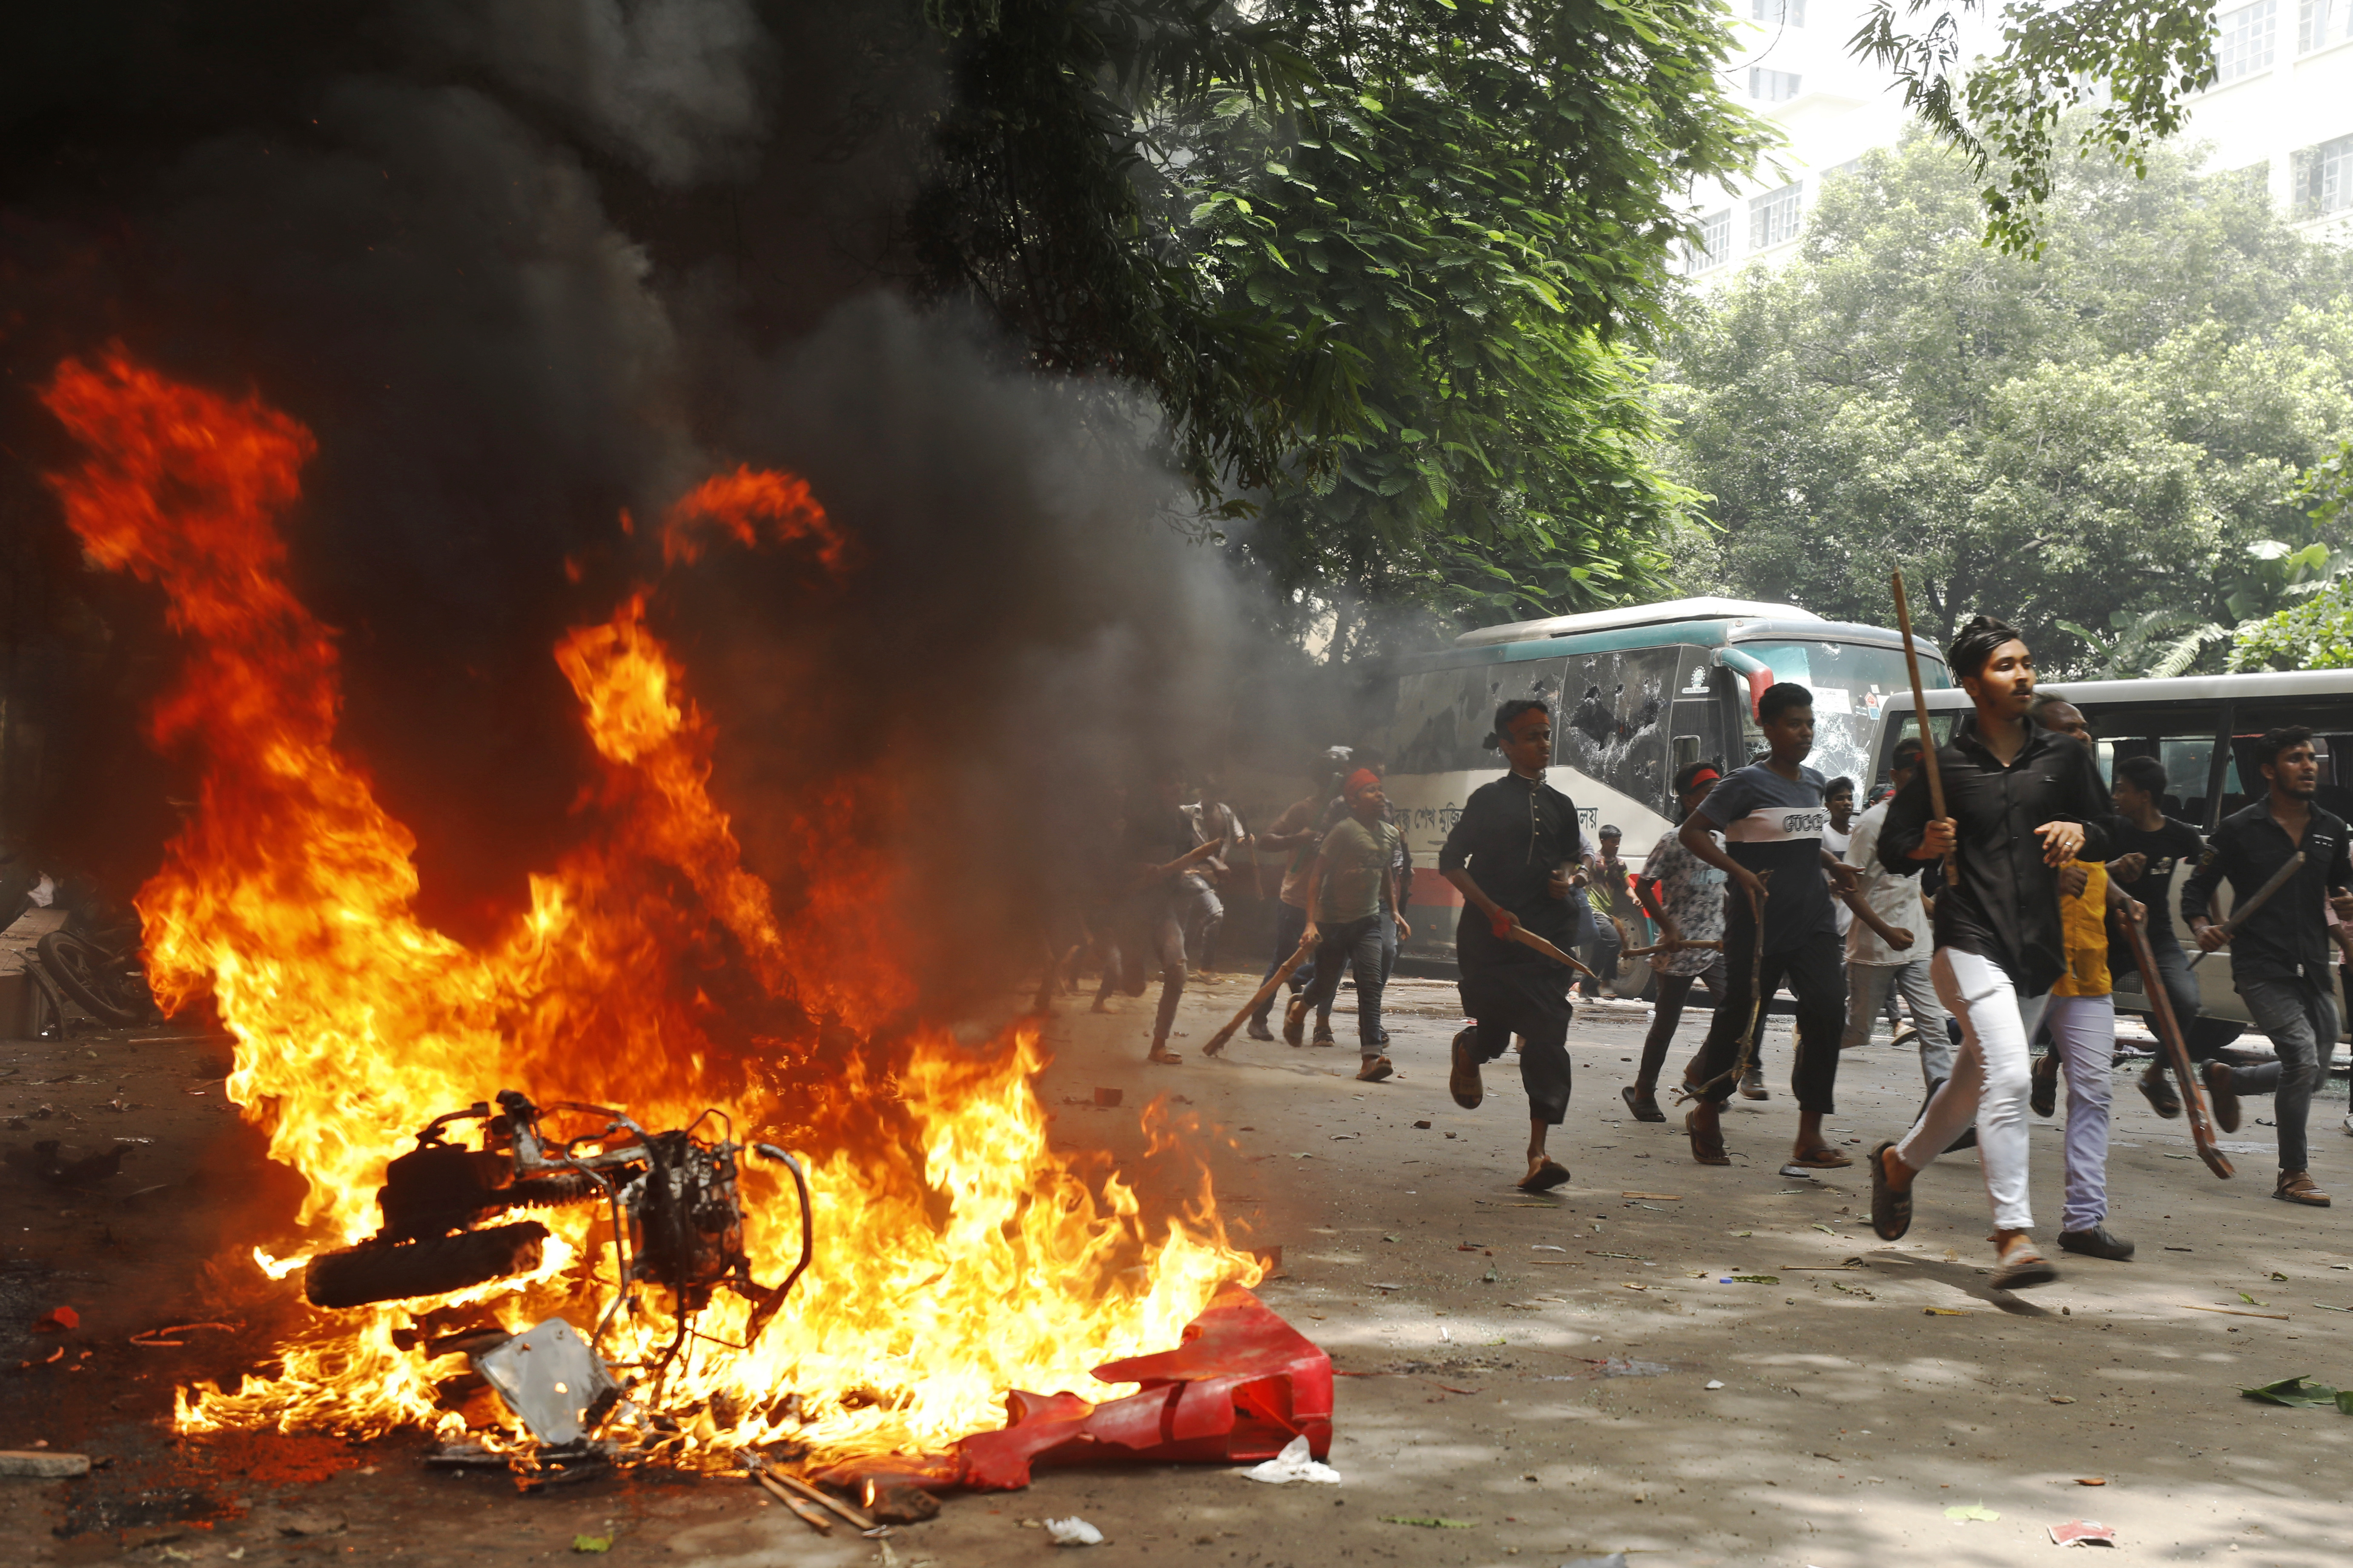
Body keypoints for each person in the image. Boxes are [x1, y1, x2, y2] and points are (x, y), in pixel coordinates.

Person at [1868, 615, 2110, 1290]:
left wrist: (2078, 828)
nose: (2023, 674)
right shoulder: (1940, 768)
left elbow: (2109, 828)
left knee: (1973, 1080)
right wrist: (1924, 847)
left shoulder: (2062, 758)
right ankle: (2011, 1235)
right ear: (1972, 685)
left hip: (2036, 946)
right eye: (2006, 666)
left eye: (2026, 662)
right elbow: (1891, 848)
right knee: (2007, 1076)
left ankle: (1897, 1165)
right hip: (1966, 941)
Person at [1676, 683, 1857, 1172]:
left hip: (1814, 919)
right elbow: (1691, 832)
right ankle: (1707, 1111)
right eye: (1795, 723)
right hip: (1757, 922)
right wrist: (1738, 873)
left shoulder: (1814, 782)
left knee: (1825, 1010)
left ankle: (1810, 1134)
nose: (1805, 732)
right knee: (1739, 1021)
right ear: (1768, 727)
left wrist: (1833, 866)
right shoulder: (1743, 784)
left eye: (1810, 723)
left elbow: (1799, 838)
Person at [2183, 726, 2353, 1207]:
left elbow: (2341, 887)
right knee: (2301, 1059)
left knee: (2315, 1072)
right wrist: (2202, 928)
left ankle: (2228, 1079)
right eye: (2295, 758)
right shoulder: (2237, 830)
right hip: (2260, 966)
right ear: (2268, 770)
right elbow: (2196, 891)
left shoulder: (2331, 829)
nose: (2308, 765)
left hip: (2312, 967)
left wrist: (2347, 908)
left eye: (2311, 757)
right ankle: (2292, 1173)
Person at [1439, 699, 1585, 1193]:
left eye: (1546, 735)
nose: (1543, 744)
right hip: (1492, 939)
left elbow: (1571, 858)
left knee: (1546, 1038)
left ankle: (1538, 1153)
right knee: (1497, 1038)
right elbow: (1450, 861)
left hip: (1546, 940)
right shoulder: (1487, 799)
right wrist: (1490, 909)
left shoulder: (1562, 805)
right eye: (1531, 737)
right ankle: (1471, 1047)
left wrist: (1566, 878)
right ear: (1506, 746)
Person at [2021, 695, 2135, 1261]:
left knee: (2093, 1090)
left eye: (2086, 729)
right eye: (2070, 730)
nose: (2083, 737)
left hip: (2087, 968)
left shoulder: (2090, 802)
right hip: (2025, 965)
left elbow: (2089, 868)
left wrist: (2119, 896)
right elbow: (1976, 871)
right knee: (1987, 1087)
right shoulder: (2015, 793)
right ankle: (1906, 1160)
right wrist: (2044, 881)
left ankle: (2082, 1222)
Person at [2099, 753, 2210, 1114]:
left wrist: (2209, 923)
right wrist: (2112, 868)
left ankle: (2155, 1075)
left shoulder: (2180, 835)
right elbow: (2080, 873)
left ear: (2144, 796)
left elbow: (2209, 870)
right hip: (2107, 938)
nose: (2115, 797)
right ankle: (2048, 1065)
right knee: (2079, 1006)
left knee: (2186, 1001)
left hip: (2156, 936)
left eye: (2121, 790)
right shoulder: (2109, 830)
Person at [1840, 738, 1951, 1090]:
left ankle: (1940, 1103)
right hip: (1874, 948)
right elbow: (1848, 887)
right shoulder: (1872, 823)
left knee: (1934, 1028)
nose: (1921, 780)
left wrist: (1937, 911)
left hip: (1917, 945)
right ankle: (1815, 1042)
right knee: (1857, 1033)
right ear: (1894, 776)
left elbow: (1909, 880)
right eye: (1913, 772)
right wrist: (1886, 931)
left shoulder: (1927, 822)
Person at [1626, 762, 1732, 1122]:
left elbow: (1721, 888)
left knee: (1734, 1012)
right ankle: (1642, 1091)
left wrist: (1732, 921)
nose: (1718, 801)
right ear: (1689, 801)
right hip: (1679, 948)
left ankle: (1700, 1074)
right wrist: (1667, 929)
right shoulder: (1673, 842)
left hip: (1714, 945)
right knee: (1665, 1025)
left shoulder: (1721, 840)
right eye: (1708, 794)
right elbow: (1642, 885)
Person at [1298, 768, 1411, 1082]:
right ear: (1352, 800)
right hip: (1333, 921)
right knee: (1324, 984)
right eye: (1370, 791)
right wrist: (1310, 922)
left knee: (1370, 983)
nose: (1380, 795)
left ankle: (1370, 1059)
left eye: (1380, 789)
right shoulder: (1342, 832)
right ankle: (1300, 1008)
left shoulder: (1389, 833)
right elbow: (1317, 875)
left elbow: (1385, 870)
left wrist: (1393, 911)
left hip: (1368, 920)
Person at [1109, 769, 1200, 1065]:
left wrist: (1213, 863)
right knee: (1134, 988)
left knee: (1177, 970)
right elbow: (1116, 865)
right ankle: (1124, 963)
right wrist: (1143, 868)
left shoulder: (1185, 821)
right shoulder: (1139, 822)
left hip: (1163, 910)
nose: (1178, 786)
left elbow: (1196, 852)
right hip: (1133, 913)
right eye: (1170, 781)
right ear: (1158, 787)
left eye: (1180, 780)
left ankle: (1159, 1045)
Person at [1245, 761, 1338, 1042]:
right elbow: (1265, 840)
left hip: (1330, 903)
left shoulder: (1346, 814)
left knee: (1328, 965)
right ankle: (1258, 1019)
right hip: (1296, 898)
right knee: (1282, 961)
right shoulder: (1303, 810)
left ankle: (1312, 1014)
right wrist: (1298, 837)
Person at [1178, 782, 1246, 976]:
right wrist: (1215, 863)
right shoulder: (1188, 813)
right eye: (1207, 791)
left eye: (1216, 792)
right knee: (1215, 914)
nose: (1211, 795)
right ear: (1202, 792)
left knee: (1193, 920)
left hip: (1213, 876)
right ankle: (1206, 968)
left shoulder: (1226, 812)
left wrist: (1246, 840)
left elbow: (1238, 837)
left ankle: (1175, 964)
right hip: (1191, 872)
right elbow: (1191, 842)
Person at [1579, 827, 1638, 1000]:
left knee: (1600, 953)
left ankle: (1583, 988)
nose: (1617, 845)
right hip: (1593, 910)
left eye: (1619, 841)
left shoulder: (1620, 864)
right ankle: (1606, 982)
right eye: (1613, 842)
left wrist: (1635, 898)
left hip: (1607, 912)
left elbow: (1627, 887)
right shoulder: (1593, 861)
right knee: (1615, 942)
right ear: (1603, 841)